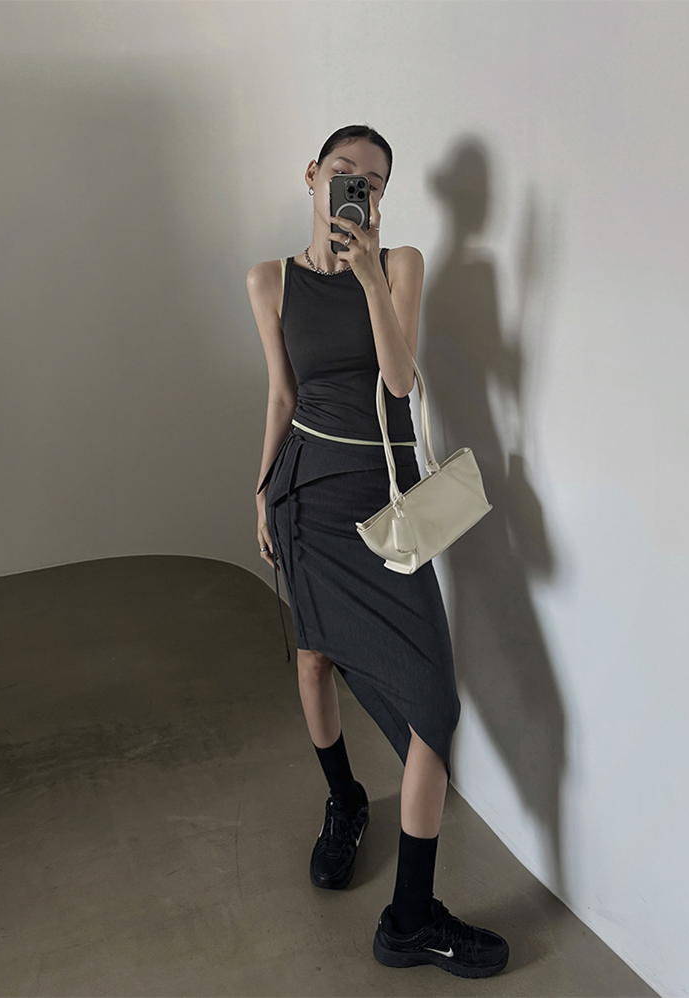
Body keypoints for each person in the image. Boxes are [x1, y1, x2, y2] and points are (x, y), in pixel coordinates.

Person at [246, 124, 509, 979]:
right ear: (313, 175)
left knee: (434, 705)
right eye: (343, 171)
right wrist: (260, 490)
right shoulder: (269, 280)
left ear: (382, 199)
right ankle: (346, 800)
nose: (356, 188)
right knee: (313, 659)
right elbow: (282, 395)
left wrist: (366, 277)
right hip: (305, 499)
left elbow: (399, 383)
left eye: (373, 181)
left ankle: (410, 919)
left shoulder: (400, 266)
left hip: (385, 505)